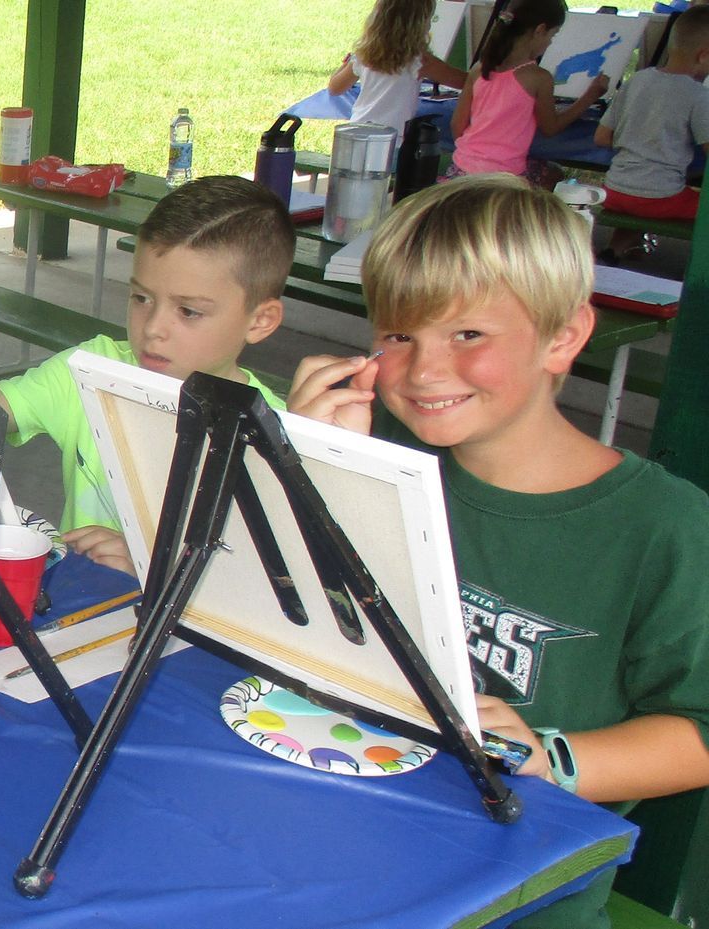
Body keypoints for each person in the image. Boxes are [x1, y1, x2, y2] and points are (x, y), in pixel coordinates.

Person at [289, 175, 709, 928]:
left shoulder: (665, 527)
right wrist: (322, 469)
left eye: (469, 334)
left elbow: (700, 730)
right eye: (398, 335)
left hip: (521, 898)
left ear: (564, 336)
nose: (423, 369)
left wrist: (555, 758)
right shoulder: (383, 466)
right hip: (359, 843)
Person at [0, 176, 292, 574]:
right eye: (141, 298)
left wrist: (150, 568)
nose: (152, 328)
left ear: (260, 320)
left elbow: (260, 586)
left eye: (188, 311)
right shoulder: (92, 369)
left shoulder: (274, 433)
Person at [448, 0, 607, 187]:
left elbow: (457, 124)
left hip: (462, 167)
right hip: (506, 175)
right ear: (540, 30)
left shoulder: (479, 68)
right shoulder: (539, 78)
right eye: (552, 36)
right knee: (553, 174)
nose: (549, 43)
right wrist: (590, 97)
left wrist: (475, 158)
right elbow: (550, 128)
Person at [594, 4, 709, 261]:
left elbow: (601, 137)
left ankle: (616, 248)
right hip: (661, 198)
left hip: (614, 190)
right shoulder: (699, 96)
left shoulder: (638, 80)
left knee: (643, 189)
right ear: (703, 56)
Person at [328, 0, 467, 146]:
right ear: (420, 23)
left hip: (356, 133)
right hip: (392, 140)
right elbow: (464, 81)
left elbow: (334, 88)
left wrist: (346, 63)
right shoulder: (420, 61)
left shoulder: (365, 55)